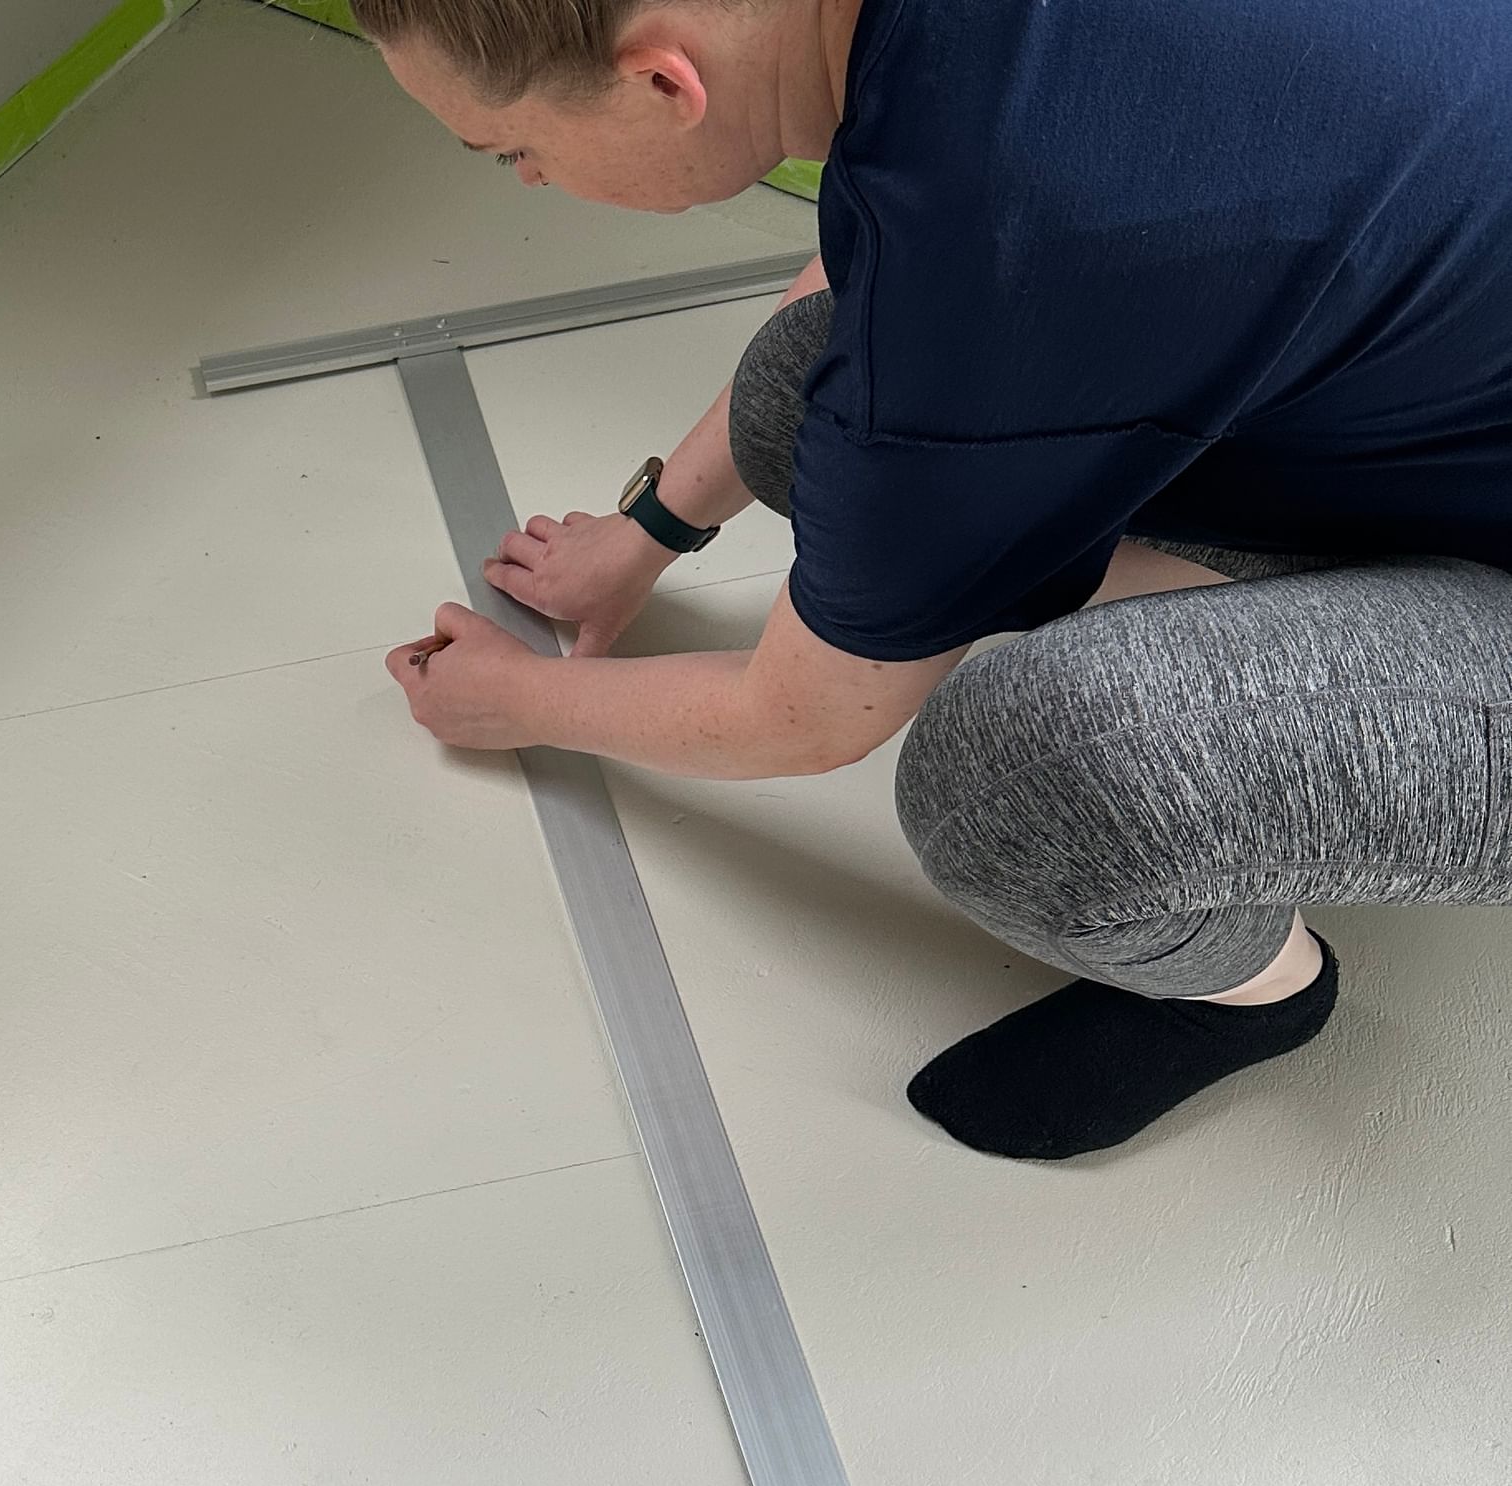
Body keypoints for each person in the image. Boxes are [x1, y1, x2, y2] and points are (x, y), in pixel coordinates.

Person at [352, 0, 1512, 1160]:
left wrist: (521, 704)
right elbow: (860, 273)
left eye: (512, 150)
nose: (529, 181)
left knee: (1026, 774)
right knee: (804, 384)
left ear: (666, 81)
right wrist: (649, 526)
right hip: (1442, 399)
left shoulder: (997, 256)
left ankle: (1255, 991)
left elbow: (801, 720)